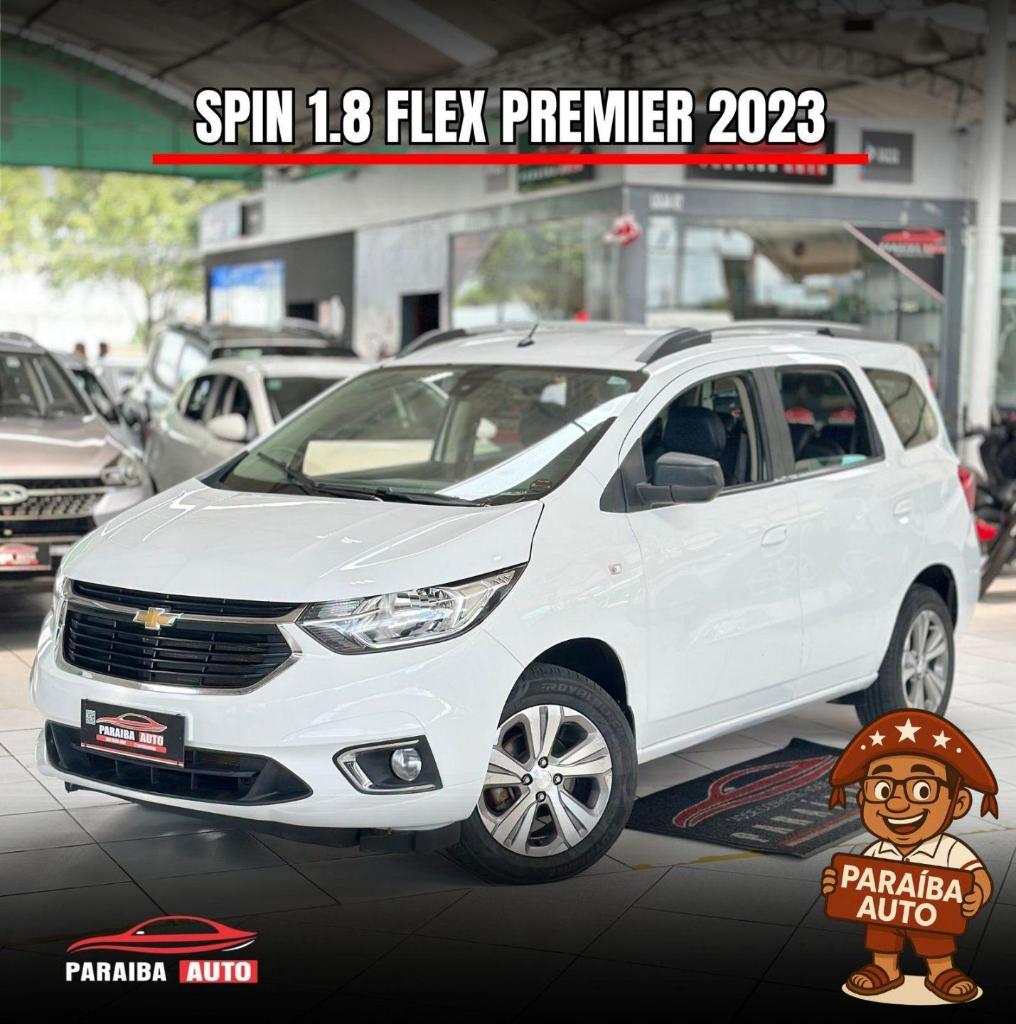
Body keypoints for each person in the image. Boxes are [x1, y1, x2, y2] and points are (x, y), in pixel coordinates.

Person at [822, 709, 998, 1003]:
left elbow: (977, 876)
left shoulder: (948, 849)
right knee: (880, 926)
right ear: (863, 799)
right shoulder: (878, 851)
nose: (897, 803)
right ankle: (885, 968)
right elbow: (856, 882)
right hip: (887, 911)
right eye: (882, 789)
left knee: (934, 932)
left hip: (931, 913)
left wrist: (977, 893)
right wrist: (836, 884)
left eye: (922, 789)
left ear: (958, 803)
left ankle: (941, 971)